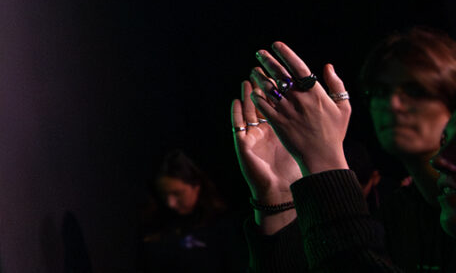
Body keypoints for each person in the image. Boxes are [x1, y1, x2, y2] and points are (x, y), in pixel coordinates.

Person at [232, 37, 456, 272]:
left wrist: (324, 162)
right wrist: (277, 197)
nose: (392, 103)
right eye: (379, 91)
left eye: (414, 90)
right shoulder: (394, 213)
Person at [138, 149, 242, 272]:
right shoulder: (155, 227)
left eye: (177, 194)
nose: (170, 203)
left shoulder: (223, 226)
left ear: (196, 186)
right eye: (164, 195)